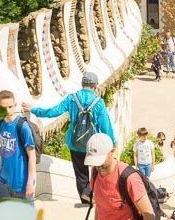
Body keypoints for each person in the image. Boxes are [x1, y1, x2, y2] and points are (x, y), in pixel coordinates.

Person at [23, 71, 114, 205]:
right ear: (95, 85)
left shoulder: (72, 98)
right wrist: (112, 143)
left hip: (75, 143)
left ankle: (85, 200)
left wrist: (34, 109)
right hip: (93, 144)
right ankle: (99, 197)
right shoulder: (99, 103)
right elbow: (106, 126)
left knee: (81, 174)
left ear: (83, 84)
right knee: (99, 170)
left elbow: (53, 111)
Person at [0, 89, 51, 220]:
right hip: (6, 179)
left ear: (14, 105)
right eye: (3, 107)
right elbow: (1, 150)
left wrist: (30, 181)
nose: (7, 110)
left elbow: (31, 155)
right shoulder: (0, 124)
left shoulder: (22, 126)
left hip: (22, 180)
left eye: (10, 106)